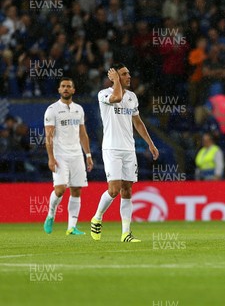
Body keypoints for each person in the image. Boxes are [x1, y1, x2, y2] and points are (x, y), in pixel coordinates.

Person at [91, 64, 159, 242]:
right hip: (112, 148)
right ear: (115, 77)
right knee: (114, 190)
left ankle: (126, 233)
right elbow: (116, 96)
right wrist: (115, 82)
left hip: (129, 149)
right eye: (124, 74)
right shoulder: (104, 94)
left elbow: (137, 122)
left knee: (127, 190)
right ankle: (97, 217)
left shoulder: (132, 97)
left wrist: (150, 143)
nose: (129, 76)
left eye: (129, 73)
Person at [43, 77, 94, 236]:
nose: (65, 88)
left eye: (68, 86)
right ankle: (51, 214)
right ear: (59, 90)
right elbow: (49, 136)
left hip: (77, 154)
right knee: (60, 189)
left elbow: (83, 134)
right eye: (63, 86)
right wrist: (51, 157)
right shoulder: (52, 110)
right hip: (60, 155)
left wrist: (88, 155)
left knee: (76, 189)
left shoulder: (79, 109)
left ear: (73, 90)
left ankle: (72, 227)